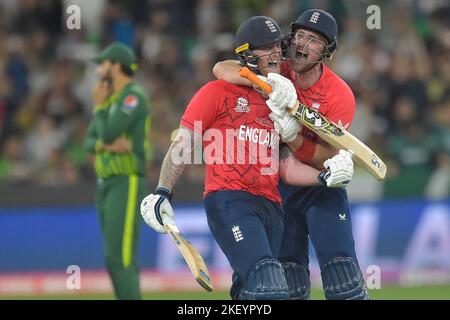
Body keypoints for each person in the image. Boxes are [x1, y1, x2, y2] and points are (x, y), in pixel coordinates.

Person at [139, 16, 354, 300]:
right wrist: (163, 191)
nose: (276, 53)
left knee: (256, 290)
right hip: (230, 199)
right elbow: (184, 143)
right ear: (247, 54)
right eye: (266, 48)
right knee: (270, 287)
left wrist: (324, 175)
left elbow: (286, 166)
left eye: (277, 46)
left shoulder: (277, 102)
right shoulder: (216, 92)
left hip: (273, 204)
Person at [213, 9, 369, 300]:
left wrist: (293, 136)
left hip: (320, 187)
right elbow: (222, 68)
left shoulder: (339, 95)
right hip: (279, 190)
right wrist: (263, 82)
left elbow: (325, 158)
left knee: (343, 283)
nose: (301, 44)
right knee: (291, 286)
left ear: (328, 51)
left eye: (313, 40)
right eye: (299, 36)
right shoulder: (277, 68)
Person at [83, 42, 150, 300]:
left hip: (126, 180)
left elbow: (109, 130)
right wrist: (105, 144)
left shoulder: (133, 97)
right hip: (105, 184)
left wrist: (99, 108)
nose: (99, 69)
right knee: (112, 257)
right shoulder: (111, 100)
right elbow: (90, 141)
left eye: (103, 64)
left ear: (116, 66)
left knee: (121, 256)